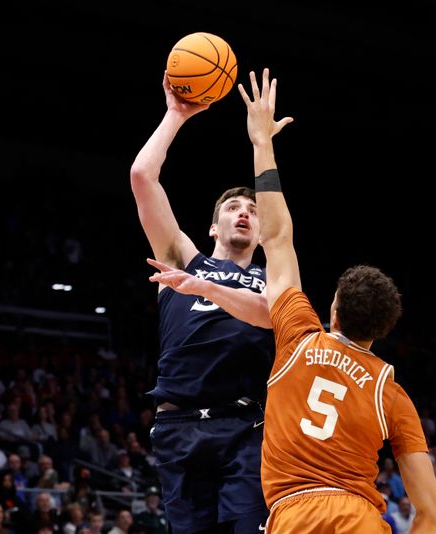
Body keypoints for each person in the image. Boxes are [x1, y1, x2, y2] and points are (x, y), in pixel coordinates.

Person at [236, 67, 436, 533]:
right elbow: (431, 513)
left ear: (332, 309)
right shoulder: (392, 394)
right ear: (382, 330)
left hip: (295, 513)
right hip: (361, 518)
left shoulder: (299, 338)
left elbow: (276, 237)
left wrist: (261, 143)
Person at [131, 70, 275, 532]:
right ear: (214, 227)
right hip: (181, 425)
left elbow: (277, 320)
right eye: (234, 208)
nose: (245, 213)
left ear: (261, 229)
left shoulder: (273, 281)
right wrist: (175, 115)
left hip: (246, 426)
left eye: (253, 210)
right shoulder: (183, 260)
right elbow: (142, 176)